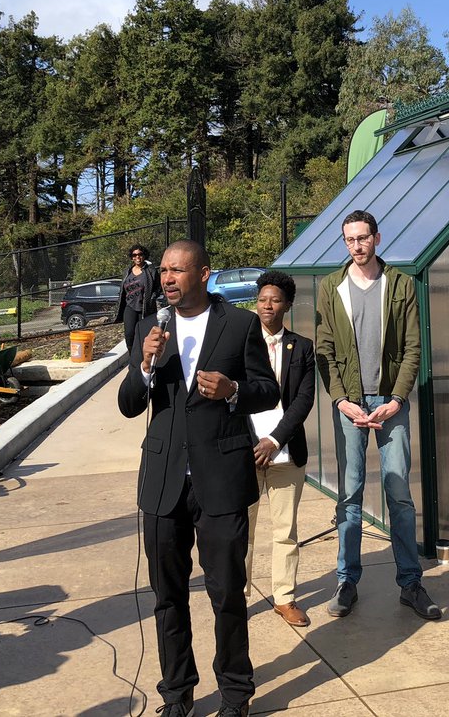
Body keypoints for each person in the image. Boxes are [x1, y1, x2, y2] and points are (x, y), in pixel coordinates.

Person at [118, 240, 280, 716]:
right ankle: (177, 695)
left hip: (221, 478)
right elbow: (130, 405)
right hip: (164, 482)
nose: (166, 278)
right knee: (167, 596)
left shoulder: (240, 324)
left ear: (203, 274)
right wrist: (145, 365)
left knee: (227, 592)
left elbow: (268, 392)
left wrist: (233, 391)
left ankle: (235, 694)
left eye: (177, 270)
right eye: (163, 271)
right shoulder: (150, 327)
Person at [315, 210, 441, 621]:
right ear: (344, 242)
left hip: (390, 401)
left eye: (363, 237)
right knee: (349, 493)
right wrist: (340, 400)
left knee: (399, 493)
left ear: (377, 238)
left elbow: (412, 348)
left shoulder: (400, 284)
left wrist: (398, 399)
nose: (356, 245)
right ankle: (347, 581)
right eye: (350, 239)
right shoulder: (330, 287)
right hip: (350, 401)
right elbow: (326, 351)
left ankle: (410, 583)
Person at [244, 270, 316, 627]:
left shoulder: (301, 347)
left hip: (286, 452)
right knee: (242, 529)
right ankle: (236, 595)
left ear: (287, 304)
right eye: (262, 300)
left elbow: (304, 400)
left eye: (274, 300)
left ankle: (284, 598)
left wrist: (275, 440)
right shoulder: (240, 341)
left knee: (284, 530)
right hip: (244, 452)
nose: (267, 306)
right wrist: (253, 443)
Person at [114, 243, 161, 348]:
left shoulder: (151, 270)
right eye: (134, 255)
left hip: (145, 308)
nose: (137, 257)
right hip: (129, 306)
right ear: (131, 258)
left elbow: (158, 287)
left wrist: (152, 297)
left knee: (144, 334)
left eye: (140, 254)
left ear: (144, 255)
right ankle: (133, 359)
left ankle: (143, 358)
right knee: (129, 334)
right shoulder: (127, 271)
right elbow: (123, 289)